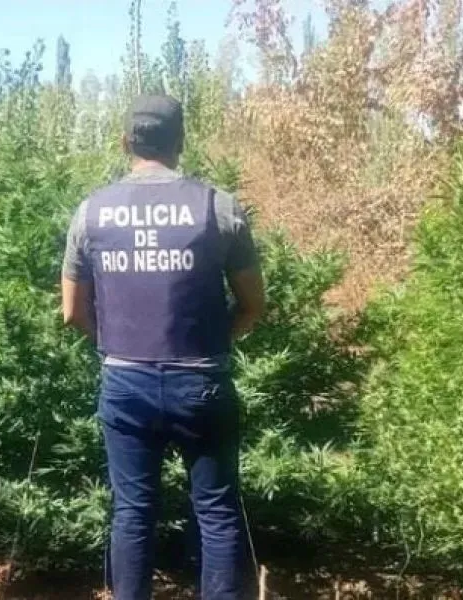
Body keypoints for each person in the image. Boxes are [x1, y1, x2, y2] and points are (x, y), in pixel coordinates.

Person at [60, 94, 266, 600]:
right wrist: (216, 343)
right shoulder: (218, 206)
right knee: (217, 513)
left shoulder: (91, 213)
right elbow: (254, 305)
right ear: (181, 141)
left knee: (132, 513)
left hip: (125, 382)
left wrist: (114, 347)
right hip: (202, 381)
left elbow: (71, 312)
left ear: (126, 141)